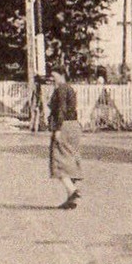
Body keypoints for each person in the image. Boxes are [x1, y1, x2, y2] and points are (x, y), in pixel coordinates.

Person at [47, 70, 83, 209]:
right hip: (74, 126)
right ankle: (71, 200)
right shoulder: (70, 89)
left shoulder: (61, 89)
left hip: (64, 126)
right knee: (72, 160)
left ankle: (72, 191)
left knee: (58, 160)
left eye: (53, 75)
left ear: (61, 75)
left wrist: (57, 129)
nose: (52, 78)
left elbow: (61, 109)